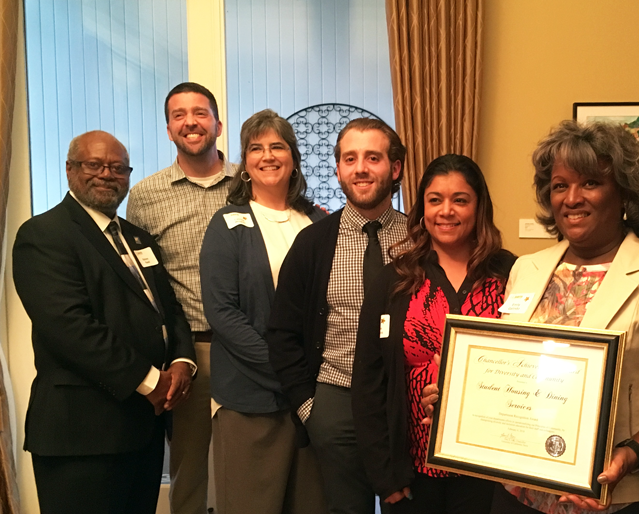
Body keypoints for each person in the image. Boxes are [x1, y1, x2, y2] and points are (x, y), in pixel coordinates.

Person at [423, 121, 639, 514]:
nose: (571, 198)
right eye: (560, 186)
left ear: (623, 192)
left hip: (608, 498)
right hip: (516, 493)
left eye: (590, 183)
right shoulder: (527, 268)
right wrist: (458, 399)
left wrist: (632, 454)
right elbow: (511, 371)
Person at [12, 130, 195, 514]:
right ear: (70, 170)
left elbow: (169, 308)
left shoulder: (137, 238)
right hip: (81, 436)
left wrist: (181, 360)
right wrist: (150, 382)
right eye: (94, 165)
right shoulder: (44, 235)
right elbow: (70, 329)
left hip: (141, 432)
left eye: (117, 168)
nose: (106, 175)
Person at [352, 154, 516, 513]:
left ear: (479, 206)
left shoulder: (512, 274)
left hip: (492, 470)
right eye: (435, 199)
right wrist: (386, 477)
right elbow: (368, 381)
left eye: (460, 199)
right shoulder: (394, 280)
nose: (446, 211)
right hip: (413, 474)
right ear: (421, 207)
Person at [266, 117, 409, 514]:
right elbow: (281, 333)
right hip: (335, 400)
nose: (361, 168)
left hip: (403, 404)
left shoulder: (421, 238)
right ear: (339, 170)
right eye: (350, 158)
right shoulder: (313, 243)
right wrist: (310, 408)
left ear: (394, 168)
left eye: (373, 157)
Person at [199, 109, 327, 513]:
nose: (267, 155)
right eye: (256, 148)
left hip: (313, 400)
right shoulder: (226, 224)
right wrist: (287, 372)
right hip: (251, 400)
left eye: (277, 146)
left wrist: (311, 382)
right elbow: (223, 313)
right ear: (244, 163)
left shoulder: (319, 221)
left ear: (293, 157)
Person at [127, 82, 235, 514]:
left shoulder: (251, 183)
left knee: (252, 461)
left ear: (218, 125)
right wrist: (172, 355)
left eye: (200, 112)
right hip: (191, 354)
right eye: (179, 115)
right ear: (169, 130)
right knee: (188, 471)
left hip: (252, 349)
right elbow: (141, 283)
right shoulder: (146, 196)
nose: (190, 121)